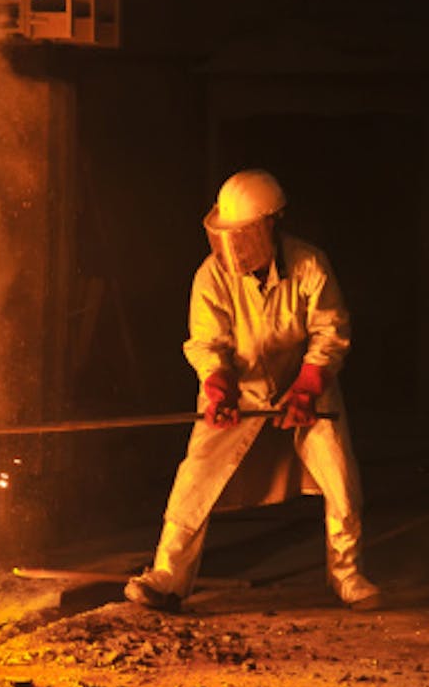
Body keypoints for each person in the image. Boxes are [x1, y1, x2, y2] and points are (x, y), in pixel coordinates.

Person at [124, 169, 381, 612]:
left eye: (243, 235)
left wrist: (307, 388)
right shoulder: (211, 276)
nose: (234, 247)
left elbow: (330, 332)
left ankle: (347, 574)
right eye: (227, 236)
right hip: (240, 391)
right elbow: (207, 344)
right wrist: (218, 386)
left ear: (269, 225)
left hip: (304, 385)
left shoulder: (309, 266)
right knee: (197, 475)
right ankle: (168, 576)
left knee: (339, 475)